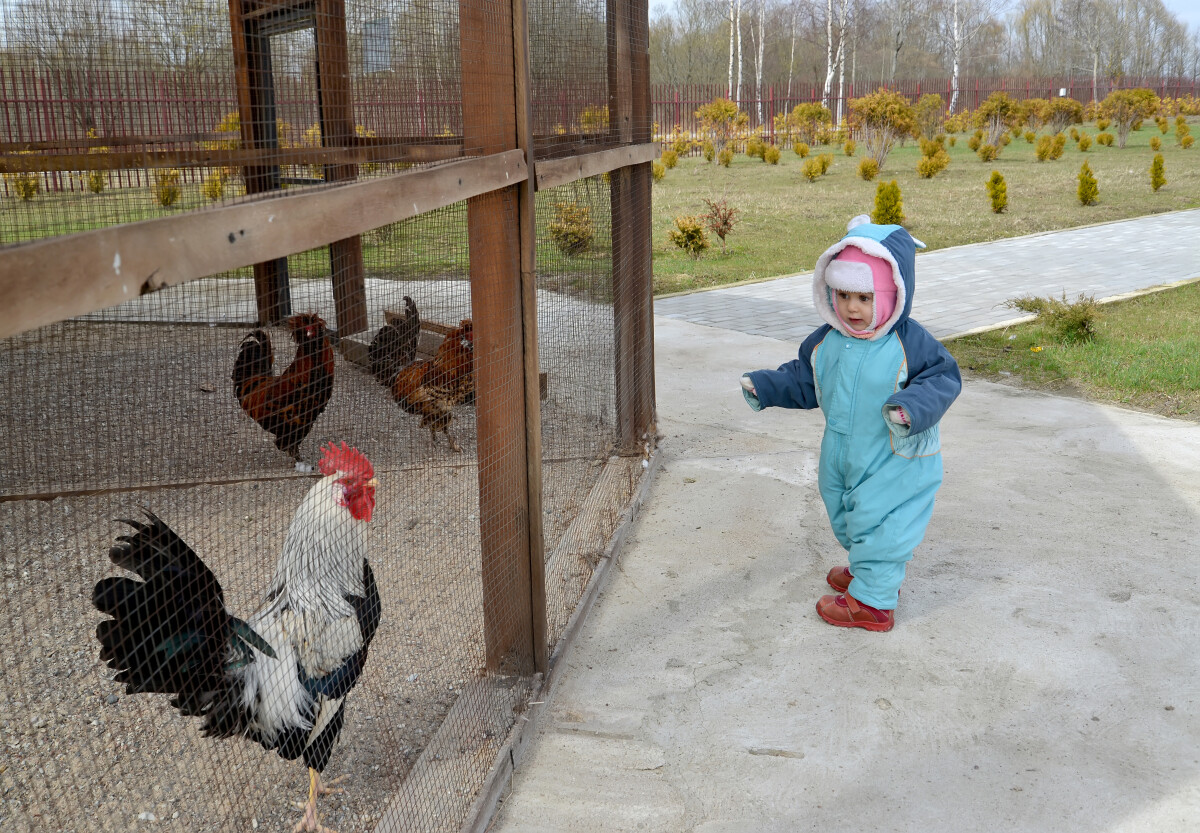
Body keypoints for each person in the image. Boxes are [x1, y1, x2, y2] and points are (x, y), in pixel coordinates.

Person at [740, 215, 961, 632]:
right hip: (843, 452)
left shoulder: (909, 343)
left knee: (880, 521)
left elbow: (942, 378)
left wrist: (909, 408)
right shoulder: (828, 339)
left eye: (864, 297)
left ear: (892, 292)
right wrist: (767, 387)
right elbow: (805, 378)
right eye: (842, 295)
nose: (852, 308)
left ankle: (874, 603)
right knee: (845, 512)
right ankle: (868, 568)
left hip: (894, 456)